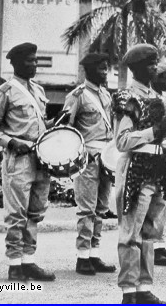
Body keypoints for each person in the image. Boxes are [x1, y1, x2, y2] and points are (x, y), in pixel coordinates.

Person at [113, 44, 166, 304]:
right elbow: (122, 141)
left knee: (150, 232)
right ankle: (128, 291)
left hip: (157, 169)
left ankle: (144, 287)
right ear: (138, 67)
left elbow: (163, 139)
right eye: (151, 64)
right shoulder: (127, 98)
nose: (156, 67)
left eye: (156, 62)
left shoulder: (157, 97)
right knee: (131, 233)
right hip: (136, 172)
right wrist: (155, 131)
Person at [0, 42, 56, 281]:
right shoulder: (5, 91)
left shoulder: (38, 91)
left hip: (40, 159)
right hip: (18, 159)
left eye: (35, 60)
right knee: (17, 213)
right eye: (29, 61)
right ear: (15, 63)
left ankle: (29, 261)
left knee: (35, 212)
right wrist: (13, 143)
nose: (34, 64)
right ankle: (14, 264)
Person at [61, 53, 117, 276]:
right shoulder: (77, 96)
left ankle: (94, 254)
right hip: (87, 160)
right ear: (89, 70)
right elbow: (67, 130)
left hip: (106, 157)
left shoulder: (106, 94)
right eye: (101, 69)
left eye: (106, 68)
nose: (105, 72)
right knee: (87, 209)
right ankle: (82, 256)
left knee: (101, 208)